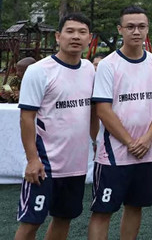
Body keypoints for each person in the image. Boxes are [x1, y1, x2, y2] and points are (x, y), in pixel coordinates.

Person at [87, 6, 152, 240]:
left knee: (135, 206)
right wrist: (131, 142)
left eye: (141, 26)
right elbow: (103, 109)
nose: (136, 31)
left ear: (147, 30)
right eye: (130, 27)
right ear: (120, 29)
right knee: (103, 210)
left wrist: (148, 138)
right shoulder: (108, 65)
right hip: (114, 154)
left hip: (145, 152)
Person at [15, 13, 96, 240]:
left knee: (63, 218)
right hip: (45, 164)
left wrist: (96, 141)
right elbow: (26, 118)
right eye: (70, 31)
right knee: (31, 222)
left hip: (76, 165)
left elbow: (92, 114)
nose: (76, 37)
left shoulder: (89, 69)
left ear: (89, 38)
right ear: (58, 36)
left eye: (82, 32)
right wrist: (32, 159)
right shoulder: (39, 71)